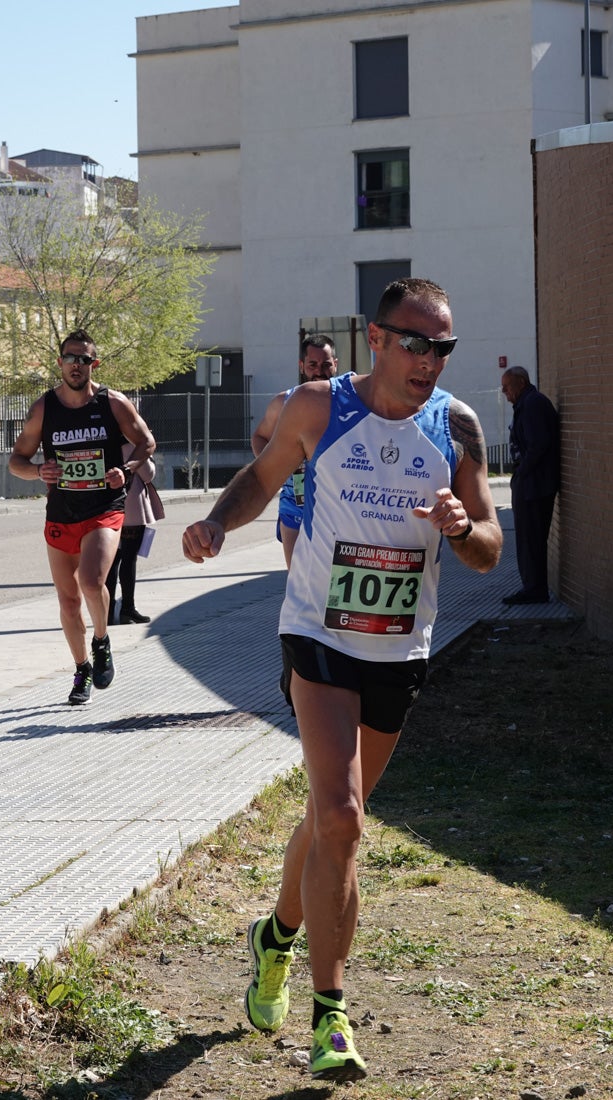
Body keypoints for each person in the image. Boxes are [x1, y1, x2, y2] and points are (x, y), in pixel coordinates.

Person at [182, 277, 502, 1082]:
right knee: (344, 817)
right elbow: (261, 477)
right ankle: (331, 1015)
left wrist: (463, 529)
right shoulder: (318, 407)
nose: (430, 360)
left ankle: (275, 935)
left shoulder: (456, 427)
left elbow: (489, 544)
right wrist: (217, 522)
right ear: (378, 339)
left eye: (443, 347)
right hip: (317, 637)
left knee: (333, 822)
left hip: (398, 647)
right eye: (416, 343)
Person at [9, 329, 155, 705]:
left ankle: (102, 640)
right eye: (71, 358)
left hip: (104, 509)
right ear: (60, 363)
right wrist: (38, 472)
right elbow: (16, 460)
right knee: (69, 602)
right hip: (61, 514)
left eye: (84, 359)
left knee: (92, 582)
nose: (77, 365)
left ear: (95, 363)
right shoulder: (45, 408)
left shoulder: (113, 403)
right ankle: (81, 670)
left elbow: (146, 440)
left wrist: (129, 468)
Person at [251, 334, 338, 568]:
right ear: (302, 366)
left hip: (337, 509)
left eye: (326, 364)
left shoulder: (350, 404)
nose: (320, 371)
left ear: (335, 364)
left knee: (333, 586)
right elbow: (259, 437)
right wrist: (275, 465)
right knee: (297, 581)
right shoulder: (284, 402)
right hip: (294, 506)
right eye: (313, 364)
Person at [500, 365, 559, 605]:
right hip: (531, 484)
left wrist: (521, 474)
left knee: (531, 539)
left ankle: (534, 590)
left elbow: (538, 444)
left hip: (535, 486)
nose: (504, 392)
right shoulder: (527, 404)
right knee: (527, 539)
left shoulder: (533, 404)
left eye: (507, 387)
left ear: (521, 383)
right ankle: (532, 587)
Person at [105, 442, 163, 625]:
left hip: (107, 507)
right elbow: (148, 474)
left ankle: (106, 610)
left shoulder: (106, 438)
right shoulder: (132, 445)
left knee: (111, 562)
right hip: (131, 510)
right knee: (128, 559)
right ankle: (127, 608)